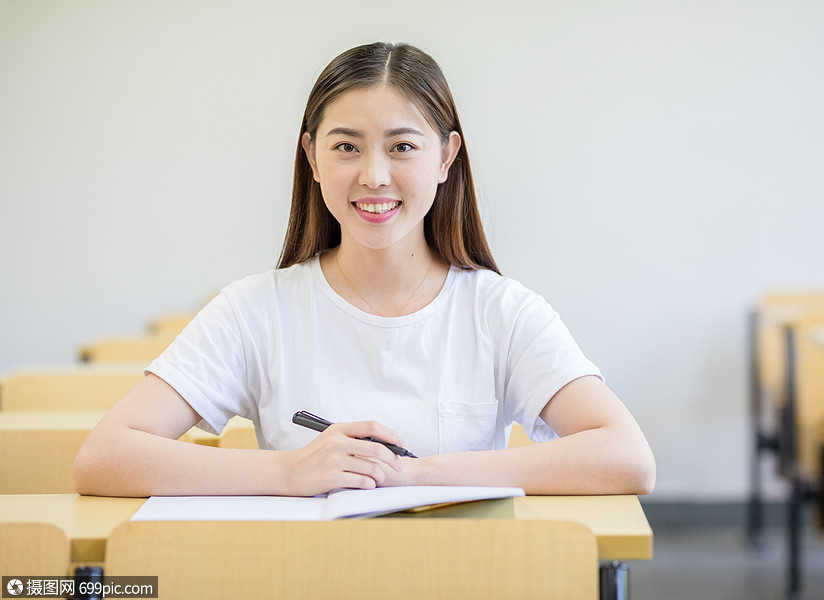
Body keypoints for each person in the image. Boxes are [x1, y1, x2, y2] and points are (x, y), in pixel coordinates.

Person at [73, 42, 655, 498]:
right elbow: (106, 456)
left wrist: (415, 475)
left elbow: (627, 457)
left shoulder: (501, 311)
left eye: (402, 147)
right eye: (346, 146)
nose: (374, 175)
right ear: (312, 157)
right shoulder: (254, 309)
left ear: (447, 157)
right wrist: (289, 472)